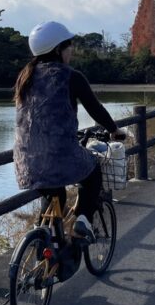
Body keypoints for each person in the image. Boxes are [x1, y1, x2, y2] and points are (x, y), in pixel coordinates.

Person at [13, 21, 125, 246]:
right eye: (68, 45)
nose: (72, 49)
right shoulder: (70, 76)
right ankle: (82, 220)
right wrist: (114, 130)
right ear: (57, 49)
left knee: (55, 194)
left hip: (25, 161)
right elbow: (95, 108)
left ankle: (43, 236)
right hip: (60, 155)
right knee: (92, 170)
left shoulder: (25, 76)